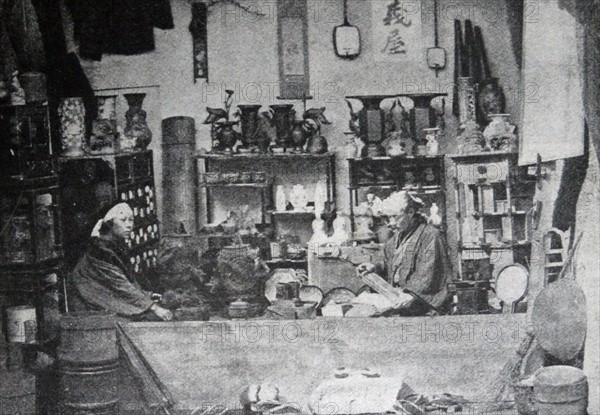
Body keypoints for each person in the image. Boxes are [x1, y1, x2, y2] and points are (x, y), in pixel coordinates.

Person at [70, 202, 172, 321]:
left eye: (131, 220)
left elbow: (124, 282)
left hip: (106, 304)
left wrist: (147, 296)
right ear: (109, 224)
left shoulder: (112, 246)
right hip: (90, 311)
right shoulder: (99, 251)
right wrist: (153, 307)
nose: (129, 225)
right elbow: (119, 286)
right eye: (123, 220)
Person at [357, 192, 452, 316]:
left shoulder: (431, 235)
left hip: (422, 306)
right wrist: (374, 266)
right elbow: (387, 261)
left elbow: (428, 271)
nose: (390, 223)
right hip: (399, 301)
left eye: (395, 217)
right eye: (387, 218)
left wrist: (411, 294)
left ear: (411, 212)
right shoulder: (397, 237)